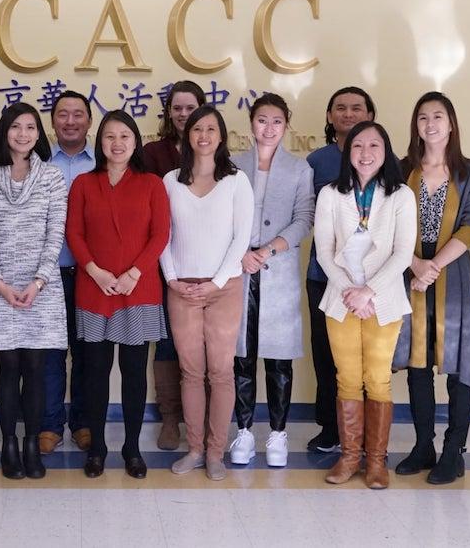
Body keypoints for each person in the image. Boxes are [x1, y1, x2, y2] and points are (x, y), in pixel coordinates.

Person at [66, 111, 170, 479]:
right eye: (110, 136)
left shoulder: (151, 183)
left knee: (133, 373)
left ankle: (131, 448)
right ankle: (96, 447)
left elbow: (161, 234)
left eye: (125, 135)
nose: (117, 143)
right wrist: (95, 271)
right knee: (94, 372)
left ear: (135, 141)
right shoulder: (83, 183)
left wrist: (133, 273)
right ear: (100, 142)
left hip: (137, 290)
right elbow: (74, 233)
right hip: (95, 289)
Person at [313, 121, 415, 490]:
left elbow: (403, 253)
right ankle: (349, 457)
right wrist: (350, 292)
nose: (365, 153)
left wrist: (368, 291)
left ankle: (376, 462)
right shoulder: (330, 194)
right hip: (341, 299)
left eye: (374, 145)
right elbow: (323, 252)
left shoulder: (401, 195)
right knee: (347, 378)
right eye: (358, 145)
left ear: (386, 151)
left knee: (378, 379)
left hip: (383, 300)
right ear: (348, 151)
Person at [392, 92, 470, 485]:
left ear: (451, 123)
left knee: (458, 360)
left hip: (453, 274)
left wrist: (432, 267)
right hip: (408, 271)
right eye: (423, 117)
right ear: (415, 125)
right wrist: (415, 264)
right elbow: (387, 223)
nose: (430, 124)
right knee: (418, 361)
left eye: (438, 116)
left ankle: (454, 450)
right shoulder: (401, 169)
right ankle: (423, 446)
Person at [0, 103, 68, 480]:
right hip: (1, 287)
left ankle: (31, 444)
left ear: (38, 134)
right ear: (4, 132)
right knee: (8, 368)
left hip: (42, 287)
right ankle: (8, 445)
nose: (23, 134)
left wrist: (38, 282)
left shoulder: (53, 177)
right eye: (16, 127)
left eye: (30, 127)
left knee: (36, 368)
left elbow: (55, 234)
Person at [160, 105, 253, 481]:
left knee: (221, 372)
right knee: (191, 372)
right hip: (181, 286)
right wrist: (172, 279)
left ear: (221, 136)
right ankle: (195, 449)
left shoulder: (236, 180)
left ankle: (216, 452)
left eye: (211, 129)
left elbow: (241, 238)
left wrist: (215, 283)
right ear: (187, 135)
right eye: (197, 129)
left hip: (224, 287)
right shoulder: (170, 181)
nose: (203, 136)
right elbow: (162, 234)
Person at [228, 94, 314, 468]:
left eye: (277, 121)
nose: (269, 128)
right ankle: (244, 431)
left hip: (278, 270)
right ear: (252, 123)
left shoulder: (299, 169)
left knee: (279, 359)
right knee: (241, 356)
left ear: (286, 125)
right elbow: (222, 216)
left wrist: (268, 249)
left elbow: (304, 218)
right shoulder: (232, 165)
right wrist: (241, 254)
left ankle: (278, 433)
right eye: (262, 120)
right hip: (239, 268)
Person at [303, 86, 376, 453]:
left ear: (370, 115)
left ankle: (368, 434)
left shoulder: (384, 158)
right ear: (330, 117)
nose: (349, 114)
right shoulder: (316, 162)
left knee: (368, 357)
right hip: (325, 275)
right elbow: (307, 215)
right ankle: (332, 428)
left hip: (372, 280)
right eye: (341, 108)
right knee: (327, 352)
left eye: (356, 108)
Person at [142, 79, 206, 449]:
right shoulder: (153, 153)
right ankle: (170, 419)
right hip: (165, 262)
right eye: (177, 108)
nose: (183, 114)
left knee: (204, 344)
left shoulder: (214, 154)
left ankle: (203, 419)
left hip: (208, 265)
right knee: (168, 342)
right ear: (168, 112)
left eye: (190, 107)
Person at [40, 91, 95, 455]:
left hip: (92, 275)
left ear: (89, 120)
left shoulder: (104, 161)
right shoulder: (38, 161)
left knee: (87, 351)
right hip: (49, 274)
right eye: (63, 114)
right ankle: (49, 424)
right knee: (50, 352)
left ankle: (84, 422)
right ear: (53, 121)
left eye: (78, 114)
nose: (70, 121)